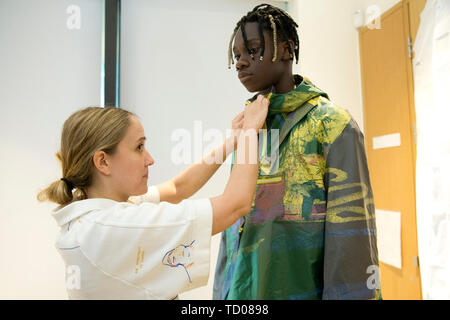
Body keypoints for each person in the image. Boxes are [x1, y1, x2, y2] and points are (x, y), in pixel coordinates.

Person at [213, 4, 381, 300]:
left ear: (287, 49)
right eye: (237, 55)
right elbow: (233, 230)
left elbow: (351, 238)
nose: (240, 62)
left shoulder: (332, 125)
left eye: (252, 50)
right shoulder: (250, 124)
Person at [37, 96, 269, 300]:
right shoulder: (115, 226)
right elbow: (235, 203)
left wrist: (232, 142)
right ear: (103, 162)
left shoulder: (92, 216)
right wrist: (250, 132)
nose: (150, 159)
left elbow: (178, 188)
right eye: (139, 147)